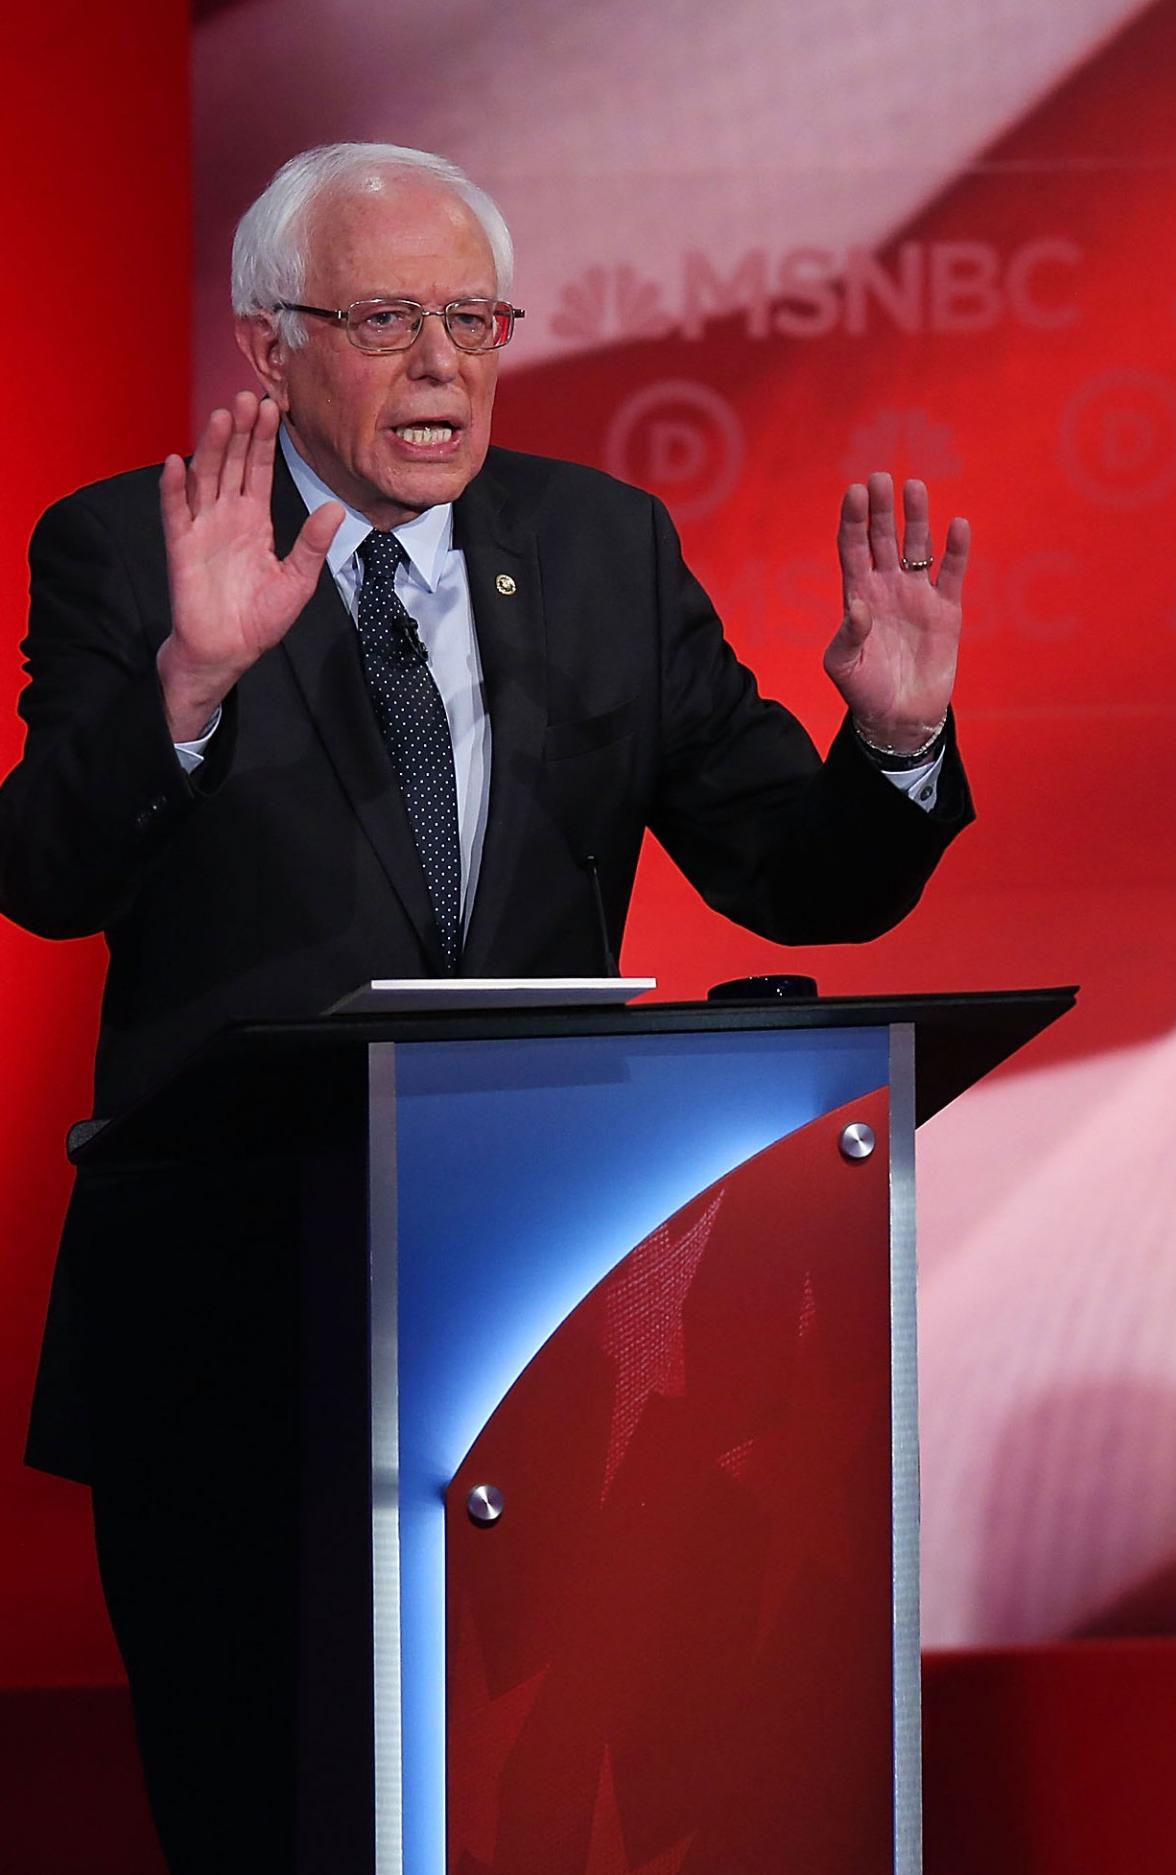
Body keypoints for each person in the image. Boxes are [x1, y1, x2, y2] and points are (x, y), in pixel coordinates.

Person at [1, 143, 975, 1867]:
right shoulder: (130, 550)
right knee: (265, 1820)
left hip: (544, 1336)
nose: (444, 361)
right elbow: (49, 876)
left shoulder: (602, 548)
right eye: (386, 318)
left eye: (473, 315)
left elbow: (790, 873)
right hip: (234, 1334)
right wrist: (193, 684)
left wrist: (893, 746)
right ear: (266, 346)